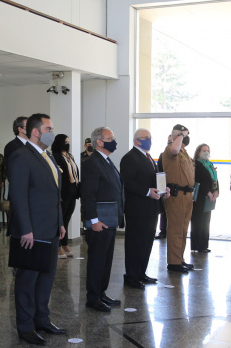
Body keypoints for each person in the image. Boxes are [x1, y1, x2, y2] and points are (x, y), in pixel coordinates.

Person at [7, 113, 66, 345]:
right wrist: (25, 230)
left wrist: (60, 222)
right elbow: (18, 196)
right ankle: (26, 326)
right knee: (27, 280)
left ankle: (42, 318)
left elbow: (54, 194)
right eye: (49, 128)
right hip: (32, 231)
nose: (52, 132)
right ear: (35, 131)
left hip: (50, 228)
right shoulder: (21, 156)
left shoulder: (47, 155)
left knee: (46, 278)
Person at [80, 127, 125, 311]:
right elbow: (88, 194)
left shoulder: (106, 161)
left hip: (110, 219)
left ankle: (101, 293)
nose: (113, 141)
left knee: (106, 259)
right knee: (97, 260)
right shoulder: (92, 162)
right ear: (99, 141)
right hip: (100, 220)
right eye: (110, 138)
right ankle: (93, 297)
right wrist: (93, 220)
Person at [120, 129, 165, 289]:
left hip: (152, 207)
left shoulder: (148, 158)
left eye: (150, 138)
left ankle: (141, 273)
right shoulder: (129, 158)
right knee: (135, 243)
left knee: (146, 242)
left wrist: (162, 190)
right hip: (137, 209)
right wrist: (147, 191)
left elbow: (154, 178)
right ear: (137, 140)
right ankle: (131, 276)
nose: (149, 141)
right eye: (146, 138)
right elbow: (128, 182)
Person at [162, 124, 196, 272]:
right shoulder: (170, 150)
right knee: (176, 229)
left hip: (187, 195)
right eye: (182, 135)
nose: (185, 137)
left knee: (183, 229)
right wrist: (180, 134)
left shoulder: (184, 152)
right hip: (176, 195)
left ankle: (179, 258)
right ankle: (173, 262)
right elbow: (175, 148)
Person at [52, 134, 80, 258]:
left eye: (68, 142)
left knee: (67, 218)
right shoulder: (56, 157)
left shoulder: (69, 156)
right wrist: (58, 193)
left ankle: (64, 244)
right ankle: (57, 246)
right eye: (65, 142)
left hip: (72, 190)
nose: (67, 144)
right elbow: (58, 176)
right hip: (63, 191)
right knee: (60, 220)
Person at [190, 143, 219, 253]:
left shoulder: (210, 164)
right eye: (204, 150)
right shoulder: (195, 165)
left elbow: (215, 180)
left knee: (206, 222)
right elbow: (197, 181)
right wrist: (207, 192)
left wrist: (216, 191)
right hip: (200, 198)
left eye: (208, 150)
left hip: (209, 199)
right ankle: (197, 246)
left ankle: (204, 245)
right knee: (198, 221)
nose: (206, 152)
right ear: (198, 152)